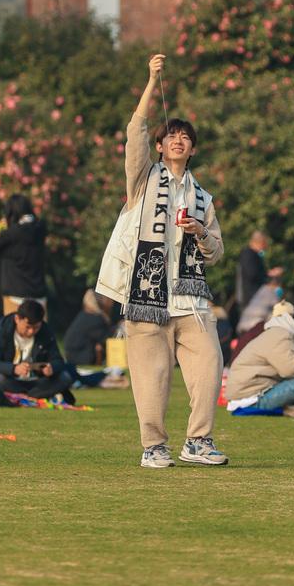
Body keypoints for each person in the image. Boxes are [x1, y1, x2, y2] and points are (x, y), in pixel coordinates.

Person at [96, 53, 227, 468]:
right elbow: (134, 130)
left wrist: (200, 233)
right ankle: (154, 447)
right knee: (152, 379)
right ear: (159, 146)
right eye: (171, 136)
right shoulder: (143, 178)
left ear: (192, 148)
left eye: (185, 137)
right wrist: (151, 81)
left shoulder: (202, 197)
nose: (178, 141)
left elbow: (217, 251)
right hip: (145, 295)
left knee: (210, 363)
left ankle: (198, 441)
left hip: (189, 298)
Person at [226, 304, 294, 417]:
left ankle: (293, 410)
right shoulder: (281, 335)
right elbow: (291, 368)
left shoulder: (278, 333)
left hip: (250, 394)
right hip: (249, 400)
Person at [0, 299, 74, 402]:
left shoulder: (45, 332)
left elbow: (58, 361)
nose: (31, 331)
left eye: (36, 327)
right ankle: (35, 397)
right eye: (28, 327)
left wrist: (51, 368)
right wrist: (13, 369)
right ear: (17, 319)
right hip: (11, 381)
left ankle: (22, 398)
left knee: (64, 377)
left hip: (37, 382)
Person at [0, 194, 48, 317]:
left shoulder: (12, 233)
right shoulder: (40, 228)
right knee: (38, 333)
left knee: (13, 333)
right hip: (38, 293)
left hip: (15, 294)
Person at [63, 288, 112, 369]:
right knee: (99, 346)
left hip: (71, 356)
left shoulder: (84, 315)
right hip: (81, 357)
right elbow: (105, 338)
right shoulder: (95, 319)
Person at [236, 231, 282, 316]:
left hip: (256, 298)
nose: (266, 246)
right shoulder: (248, 254)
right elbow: (252, 274)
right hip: (251, 299)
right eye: (265, 243)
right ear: (261, 242)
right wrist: (269, 275)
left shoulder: (254, 255)